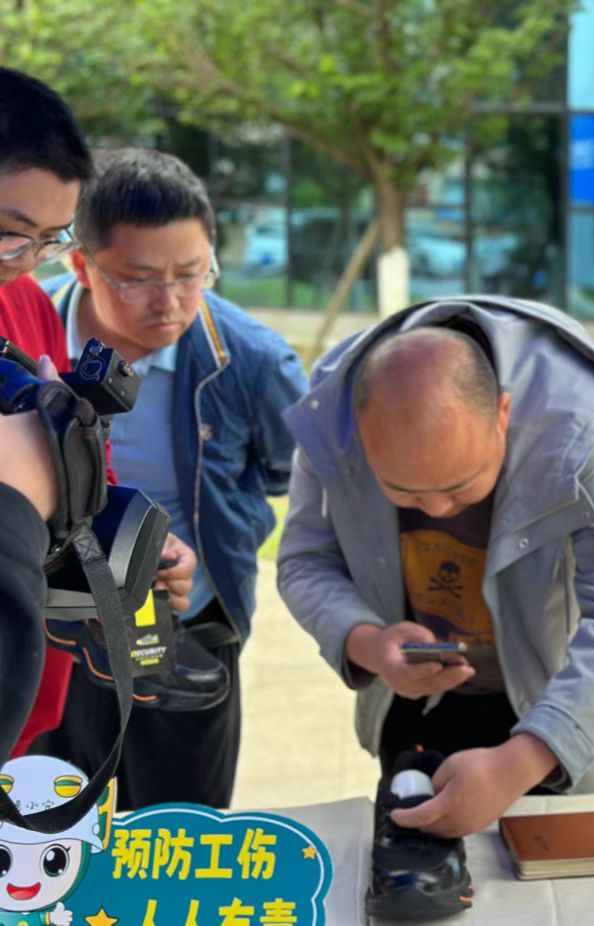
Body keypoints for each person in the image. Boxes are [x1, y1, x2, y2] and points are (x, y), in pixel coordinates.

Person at [277, 297, 594, 838]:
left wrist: (525, 758)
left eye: (461, 486)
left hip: (563, 712)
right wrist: (370, 644)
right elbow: (305, 561)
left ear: (503, 415)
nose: (437, 510)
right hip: (418, 705)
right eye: (405, 492)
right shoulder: (332, 418)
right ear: (362, 436)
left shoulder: (583, 426)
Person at [33, 148, 308, 810]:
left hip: (188, 630)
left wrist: (207, 539)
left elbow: (286, 473)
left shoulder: (254, 363)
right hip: (48, 634)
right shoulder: (23, 337)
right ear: (81, 264)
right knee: (47, 834)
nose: (170, 303)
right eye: (138, 279)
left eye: (192, 274)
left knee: (181, 836)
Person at [0, 68, 196, 759]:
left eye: (49, 239)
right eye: (9, 233)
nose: (25, 262)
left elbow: (77, 469)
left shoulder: (24, 301)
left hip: (26, 699)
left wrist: (129, 549)